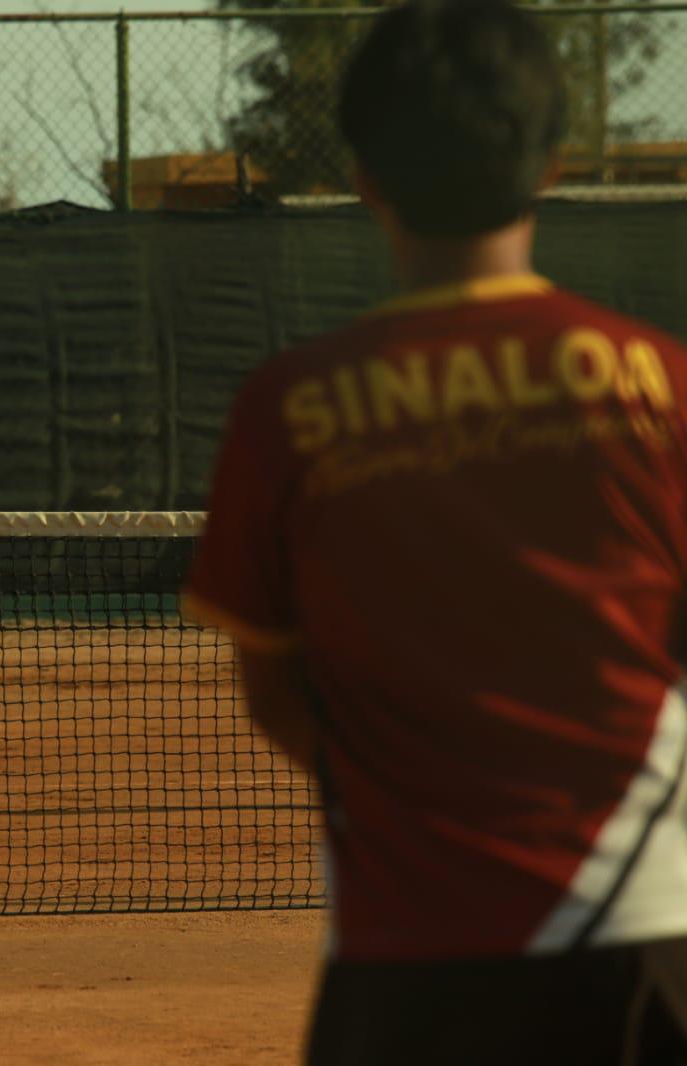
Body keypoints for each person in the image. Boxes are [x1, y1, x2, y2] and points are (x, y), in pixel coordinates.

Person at [183, 1, 687, 1061]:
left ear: (362, 173)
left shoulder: (289, 409)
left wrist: (409, 807)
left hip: (402, 964)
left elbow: (274, 690)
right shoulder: (660, 386)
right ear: (552, 163)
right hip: (643, 947)